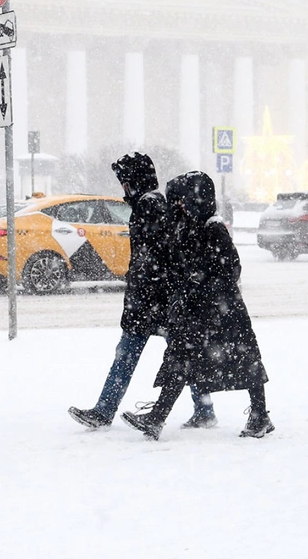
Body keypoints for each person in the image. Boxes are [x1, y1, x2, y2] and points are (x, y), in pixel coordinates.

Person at [69, 153, 216, 430]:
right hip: (156, 299)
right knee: (183, 356)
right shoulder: (152, 203)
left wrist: (147, 289)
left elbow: (159, 255)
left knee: (131, 356)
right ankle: (204, 410)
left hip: (151, 301)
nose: (122, 188)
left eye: (124, 182)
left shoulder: (149, 206)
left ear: (134, 182)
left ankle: (104, 411)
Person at [122, 171, 273, 440]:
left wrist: (201, 282)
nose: (177, 205)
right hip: (197, 310)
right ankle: (157, 417)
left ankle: (260, 415)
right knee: (180, 359)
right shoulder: (187, 227)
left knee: (245, 362)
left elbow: (231, 268)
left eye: (181, 200)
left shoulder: (212, 228)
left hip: (223, 311)